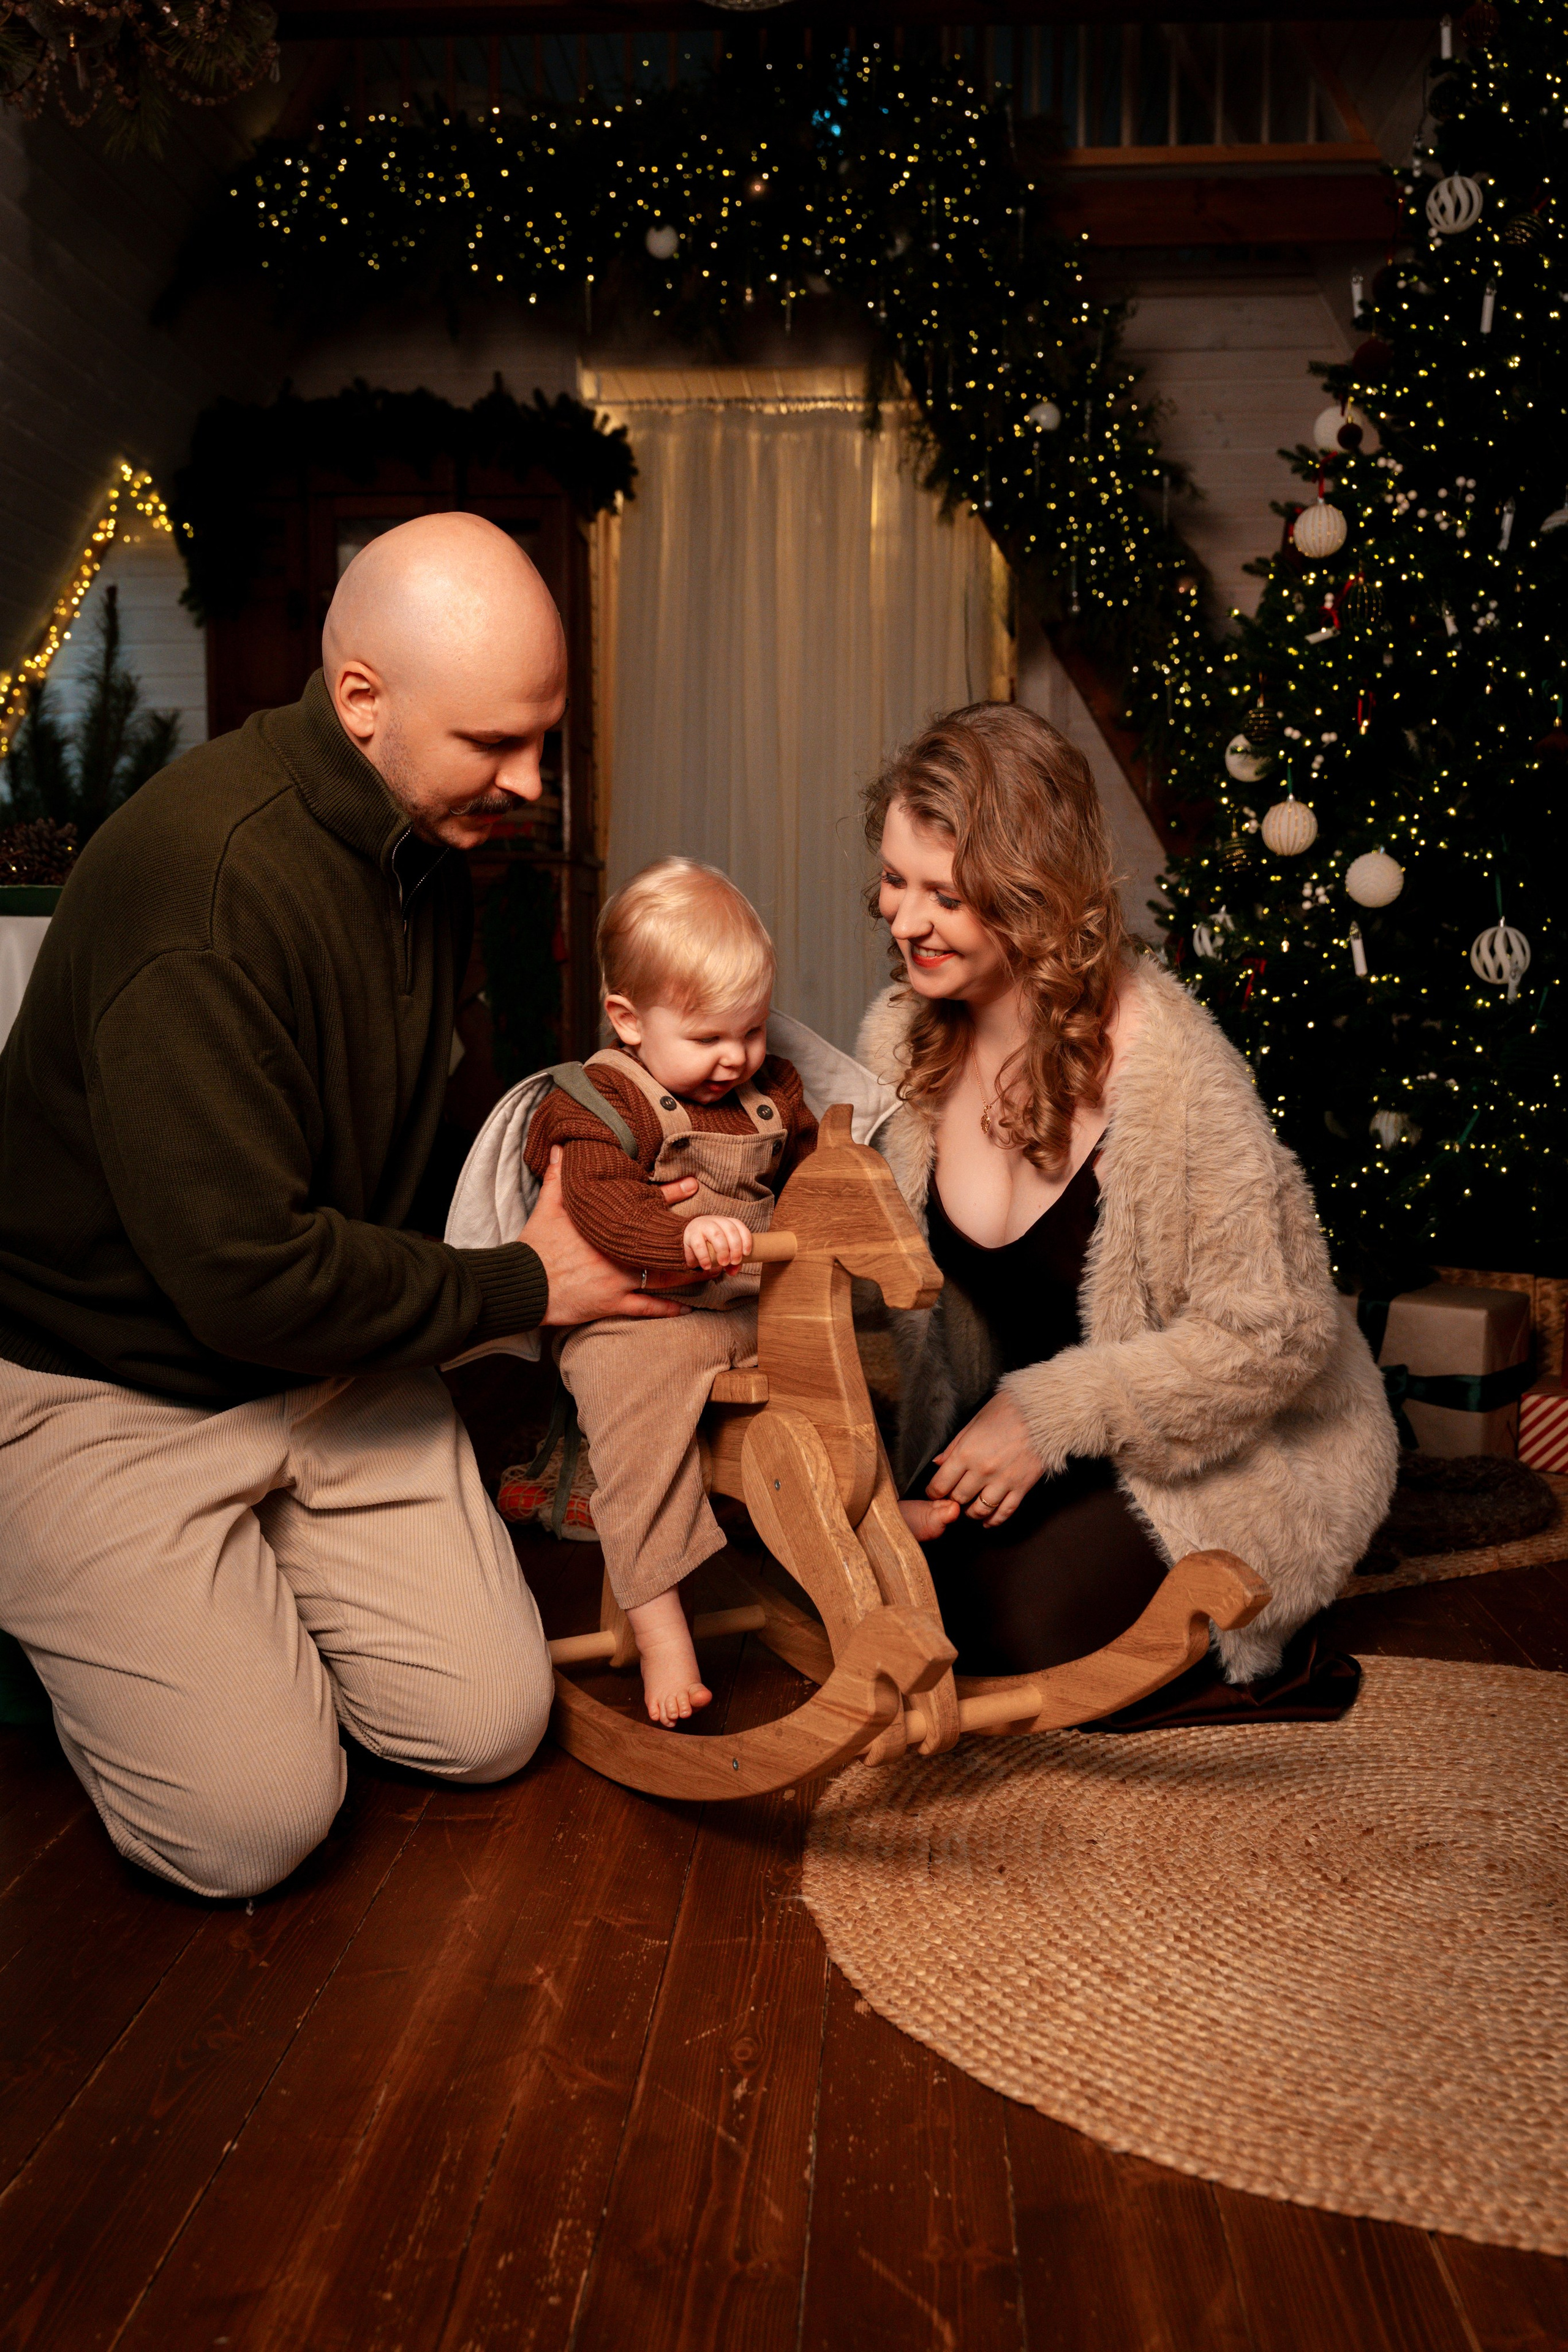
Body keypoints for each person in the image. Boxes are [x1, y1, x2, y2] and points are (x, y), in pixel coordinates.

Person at [0, 513, 699, 1899]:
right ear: (362, 701)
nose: (532, 781)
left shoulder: (424, 842)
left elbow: (415, 1130)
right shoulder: (197, 890)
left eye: (544, 738)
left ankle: (242, 1593)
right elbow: (247, 1280)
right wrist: (529, 1281)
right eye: (496, 745)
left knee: (489, 1728)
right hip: (108, 1384)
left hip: (327, 1370)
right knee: (255, 1826)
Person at [857, 702, 1397, 1717]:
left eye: (947, 895)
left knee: (1003, 1621)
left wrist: (1052, 1412)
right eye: (895, 879)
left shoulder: (1176, 1075)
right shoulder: (904, 1040)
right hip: (1013, 1425)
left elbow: (1278, 1335)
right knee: (875, 1573)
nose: (904, 920)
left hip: (1222, 1448)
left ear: (1032, 896)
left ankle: (1277, 1617)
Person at [524, 858, 817, 1725]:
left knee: (860, 1338)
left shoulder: (771, 1090)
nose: (736, 1058)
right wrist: (682, 1236)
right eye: (708, 1038)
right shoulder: (598, 1100)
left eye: (752, 1030)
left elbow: (806, 1170)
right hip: (642, 1313)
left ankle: (868, 1494)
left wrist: (821, 1197)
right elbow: (599, 1204)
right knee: (635, 1417)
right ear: (629, 1020)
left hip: (750, 1301)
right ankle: (661, 1628)